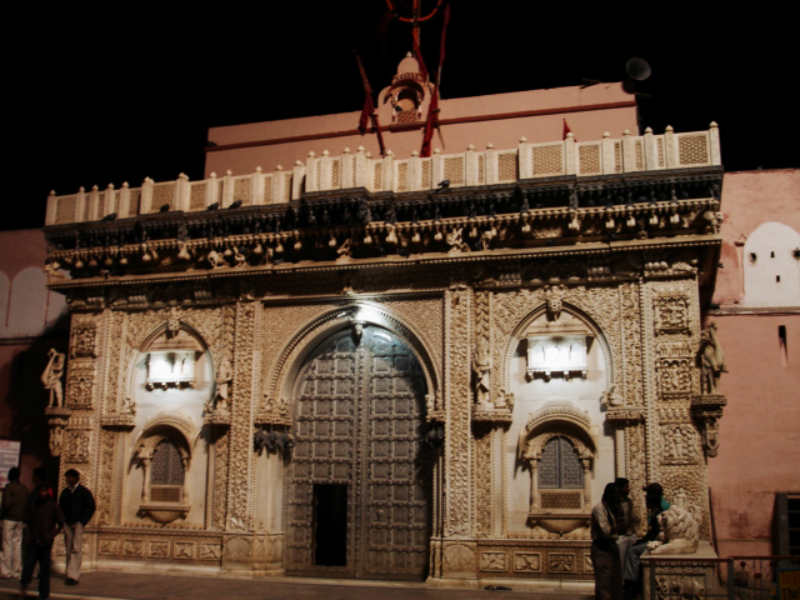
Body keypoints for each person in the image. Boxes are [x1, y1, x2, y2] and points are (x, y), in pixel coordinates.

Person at [21, 467, 63, 600]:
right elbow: (27, 519)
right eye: (42, 491)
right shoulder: (34, 504)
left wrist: (51, 535)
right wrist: (28, 534)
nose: (43, 493)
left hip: (45, 541)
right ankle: (24, 586)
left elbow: (61, 522)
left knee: (44, 571)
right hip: (34, 540)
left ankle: (43, 594)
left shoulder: (52, 506)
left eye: (45, 491)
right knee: (28, 566)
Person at [623, 482, 670, 600]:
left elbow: (657, 532)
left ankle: (631, 584)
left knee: (632, 552)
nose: (646, 497)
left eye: (648, 494)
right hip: (657, 539)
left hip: (660, 541)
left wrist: (643, 541)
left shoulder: (661, 509)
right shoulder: (657, 507)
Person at [58, 469, 95, 585]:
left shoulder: (83, 492)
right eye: (67, 478)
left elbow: (91, 507)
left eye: (71, 477)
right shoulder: (65, 492)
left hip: (78, 523)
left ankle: (74, 575)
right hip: (68, 523)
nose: (69, 480)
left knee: (76, 548)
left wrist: (82, 521)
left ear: (76, 478)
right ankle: (69, 572)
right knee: (69, 548)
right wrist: (62, 521)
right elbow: (60, 508)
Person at [591, 482, 623, 600]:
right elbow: (606, 531)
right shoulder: (599, 509)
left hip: (610, 547)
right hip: (602, 549)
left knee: (614, 582)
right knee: (604, 583)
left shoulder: (609, 509)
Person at [1, 467, 29, 579]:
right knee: (17, 545)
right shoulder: (24, 489)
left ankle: (7, 571)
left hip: (9, 519)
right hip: (20, 520)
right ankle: (17, 570)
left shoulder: (9, 488)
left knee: (7, 545)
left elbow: (6, 504)